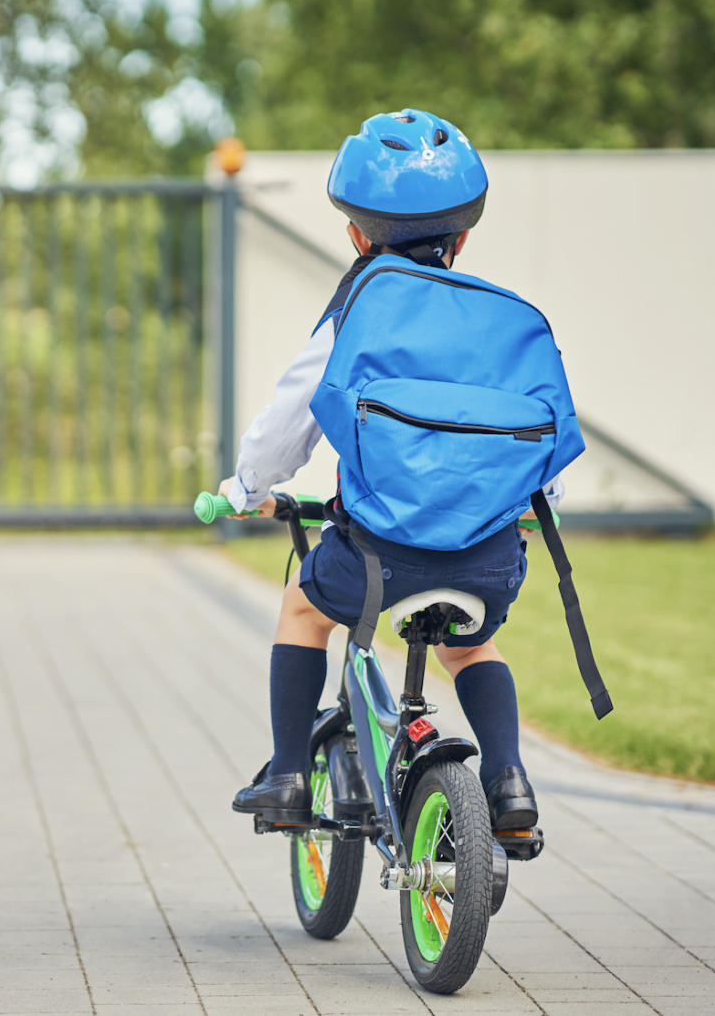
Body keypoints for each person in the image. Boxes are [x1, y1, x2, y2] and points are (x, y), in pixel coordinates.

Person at [225, 109, 551, 832]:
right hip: (488, 562)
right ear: (463, 236)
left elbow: (289, 424)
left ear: (355, 235)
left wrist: (247, 487)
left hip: (378, 565)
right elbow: (541, 436)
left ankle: (286, 777)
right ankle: (510, 782)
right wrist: (535, 498)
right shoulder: (498, 320)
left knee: (302, 608)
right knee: (473, 642)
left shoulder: (357, 312)